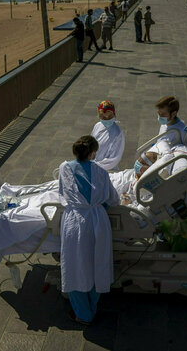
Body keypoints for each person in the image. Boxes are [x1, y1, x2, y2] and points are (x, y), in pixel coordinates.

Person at [58, 135, 119, 325]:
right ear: (93, 153)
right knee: (97, 263)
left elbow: (62, 194)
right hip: (98, 221)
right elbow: (113, 199)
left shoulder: (64, 168)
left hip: (75, 222)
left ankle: (83, 313)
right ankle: (91, 306)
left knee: (75, 266)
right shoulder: (102, 172)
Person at [91, 100, 125, 171]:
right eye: (103, 117)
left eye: (109, 117)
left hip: (108, 170)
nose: (106, 119)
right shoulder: (97, 126)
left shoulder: (118, 133)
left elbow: (114, 159)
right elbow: (90, 145)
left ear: (114, 114)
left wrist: (95, 166)